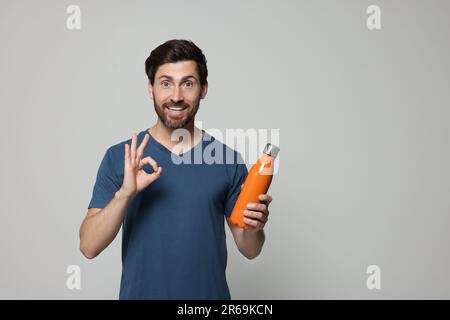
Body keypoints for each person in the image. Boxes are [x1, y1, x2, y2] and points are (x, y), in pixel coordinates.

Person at [79, 39, 273, 300]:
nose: (176, 96)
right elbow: (89, 246)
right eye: (166, 83)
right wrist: (125, 194)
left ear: (203, 89)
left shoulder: (226, 160)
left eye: (188, 83)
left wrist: (255, 226)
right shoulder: (120, 157)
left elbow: (250, 249)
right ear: (151, 88)